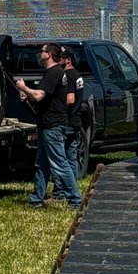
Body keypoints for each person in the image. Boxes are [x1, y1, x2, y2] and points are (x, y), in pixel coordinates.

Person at [15, 43, 81, 209]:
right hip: (47, 125)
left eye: (42, 51)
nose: (40, 54)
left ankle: (75, 200)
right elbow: (45, 98)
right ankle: (36, 199)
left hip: (53, 126)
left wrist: (23, 87)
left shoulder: (53, 72)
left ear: (49, 55)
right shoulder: (56, 72)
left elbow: (38, 96)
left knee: (60, 164)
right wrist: (27, 96)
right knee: (42, 164)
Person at [60, 46, 84, 181]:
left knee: (61, 157)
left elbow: (70, 99)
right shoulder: (77, 75)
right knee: (71, 156)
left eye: (61, 57)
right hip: (76, 120)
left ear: (68, 60)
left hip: (68, 121)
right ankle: (73, 184)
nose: (58, 59)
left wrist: (55, 106)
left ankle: (63, 187)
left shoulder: (68, 76)